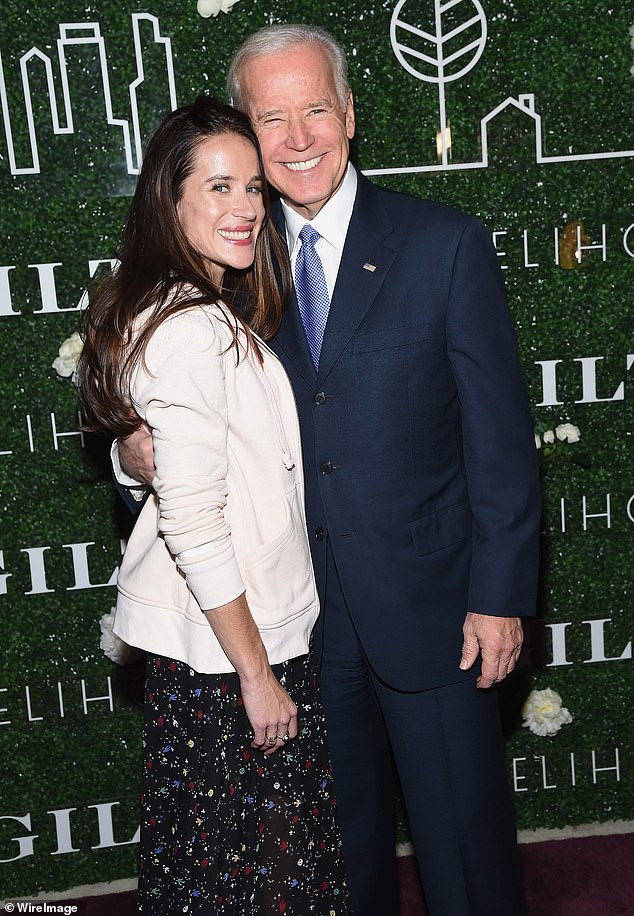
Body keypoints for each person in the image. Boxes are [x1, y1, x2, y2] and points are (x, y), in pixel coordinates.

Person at [118, 26, 542, 916]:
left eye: (317, 108)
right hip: (296, 625)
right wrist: (131, 450)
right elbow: (170, 397)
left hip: (434, 608)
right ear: (248, 132)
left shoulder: (444, 244)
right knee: (327, 863)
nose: (299, 136)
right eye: (273, 117)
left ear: (350, 115)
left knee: (464, 852)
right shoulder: (231, 249)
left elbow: (500, 440)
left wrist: (500, 594)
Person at [77, 94, 350, 915]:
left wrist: (136, 457)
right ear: (172, 200)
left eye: (253, 190)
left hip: (218, 655)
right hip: (228, 661)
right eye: (219, 188)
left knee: (218, 873)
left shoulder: (188, 308)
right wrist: (258, 676)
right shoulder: (193, 327)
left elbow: (181, 467)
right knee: (264, 879)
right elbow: (196, 521)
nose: (245, 210)